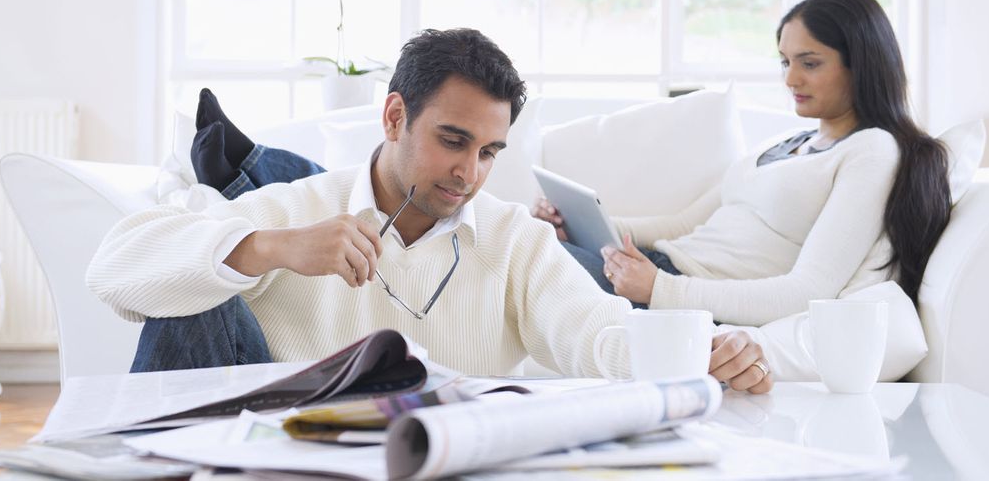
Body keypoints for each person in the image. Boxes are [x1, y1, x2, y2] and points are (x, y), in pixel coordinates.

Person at [87, 28, 774, 393]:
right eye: (452, 141)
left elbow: (596, 333)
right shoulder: (298, 210)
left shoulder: (512, 239)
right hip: (275, 447)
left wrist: (699, 355)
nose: (468, 173)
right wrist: (268, 249)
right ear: (394, 116)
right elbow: (113, 270)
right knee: (195, 288)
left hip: (428, 455)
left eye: (489, 152)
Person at [536, 0, 951, 327]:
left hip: (683, 298)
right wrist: (583, 224)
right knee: (522, 238)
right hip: (656, 272)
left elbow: (807, 290)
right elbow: (683, 223)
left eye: (810, 63)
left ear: (861, 63)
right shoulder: (790, 139)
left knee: (510, 252)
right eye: (786, 61)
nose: (790, 79)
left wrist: (660, 289)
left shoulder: (871, 151)